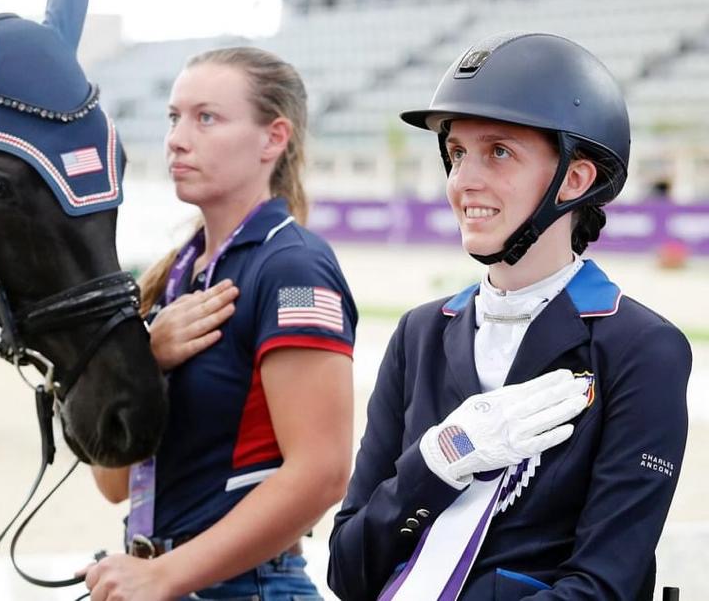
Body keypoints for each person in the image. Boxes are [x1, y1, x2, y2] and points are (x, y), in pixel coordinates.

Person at [327, 32, 691, 600]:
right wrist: (439, 460)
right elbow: (349, 572)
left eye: (499, 151)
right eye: (457, 154)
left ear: (575, 178)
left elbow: (604, 587)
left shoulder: (642, 348)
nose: (464, 180)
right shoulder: (417, 334)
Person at [83, 47, 357, 601]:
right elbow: (112, 481)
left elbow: (324, 473)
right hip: (160, 578)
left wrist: (164, 574)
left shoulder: (293, 266)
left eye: (206, 118)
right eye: (173, 117)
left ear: (273, 138)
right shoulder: (175, 278)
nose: (178, 138)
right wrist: (140, 360)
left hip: (246, 587)